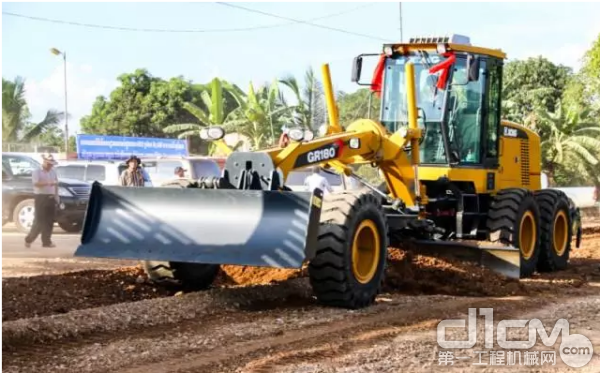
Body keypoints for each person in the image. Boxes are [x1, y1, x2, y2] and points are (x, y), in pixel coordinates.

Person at [25, 154, 58, 248]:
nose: (50, 166)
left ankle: (46, 241)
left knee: (49, 221)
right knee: (39, 220)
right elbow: (36, 183)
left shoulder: (53, 172)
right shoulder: (37, 171)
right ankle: (29, 239)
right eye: (48, 164)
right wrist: (48, 183)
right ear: (44, 162)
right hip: (41, 197)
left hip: (50, 197)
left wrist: (56, 196)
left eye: (51, 164)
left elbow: (56, 184)